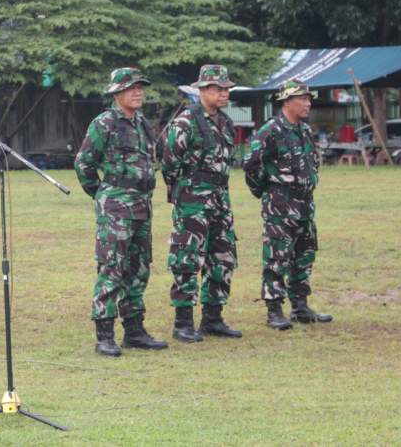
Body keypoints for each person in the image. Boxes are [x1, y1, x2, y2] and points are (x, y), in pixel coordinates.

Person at [75, 67, 168, 357]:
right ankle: (104, 333)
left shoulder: (142, 123)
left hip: (142, 204)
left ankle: (135, 329)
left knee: (138, 268)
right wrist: (103, 194)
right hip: (116, 205)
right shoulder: (105, 123)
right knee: (112, 267)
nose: (138, 92)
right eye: (131, 88)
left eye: (140, 87)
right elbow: (84, 163)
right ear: (116, 93)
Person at [242, 79, 333, 329]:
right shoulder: (270, 131)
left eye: (308, 98)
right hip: (280, 206)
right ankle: (274, 310)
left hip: (305, 205)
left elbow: (311, 162)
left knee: (304, 255)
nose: (308, 103)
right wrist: (266, 192)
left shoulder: (304, 130)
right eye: (302, 98)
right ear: (287, 101)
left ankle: (300, 307)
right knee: (276, 258)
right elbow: (251, 166)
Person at [161, 64, 242, 343]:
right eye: (218, 89)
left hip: (220, 197)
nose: (224, 94)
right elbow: (169, 164)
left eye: (226, 89)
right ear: (203, 91)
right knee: (187, 257)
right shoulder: (186, 122)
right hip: (192, 199)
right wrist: (182, 195)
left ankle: (213, 318)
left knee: (223, 255)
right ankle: (183, 322)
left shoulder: (225, 123)